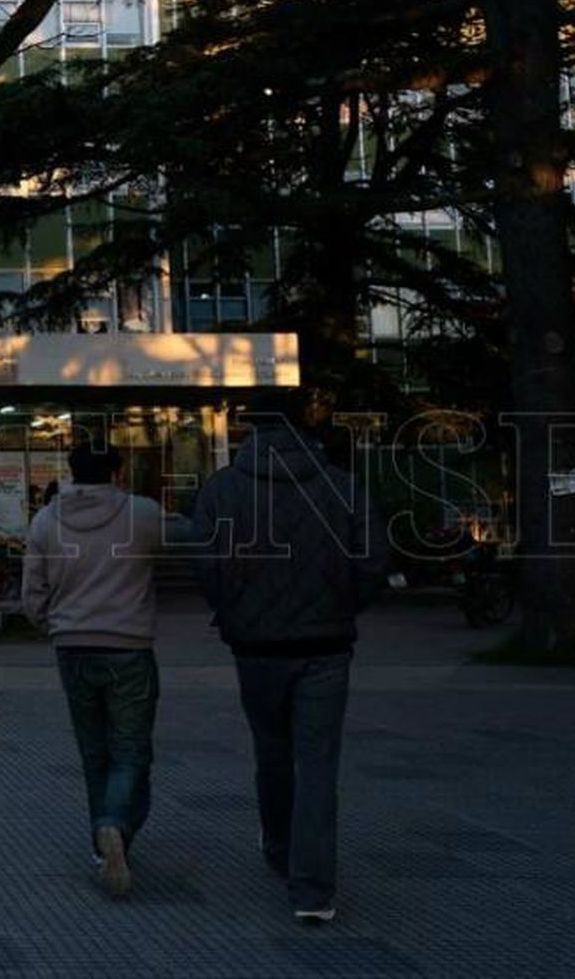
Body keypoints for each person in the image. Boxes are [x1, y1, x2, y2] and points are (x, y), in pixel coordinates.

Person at [190, 389, 388, 923]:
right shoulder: (343, 486)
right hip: (326, 645)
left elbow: (205, 562)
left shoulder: (222, 489)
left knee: (271, 752)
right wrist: (344, 606)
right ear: (307, 422)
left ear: (251, 427)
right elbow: (373, 562)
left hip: (255, 647)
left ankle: (279, 849)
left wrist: (231, 612)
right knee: (318, 763)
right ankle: (314, 891)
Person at [21, 436, 180, 897]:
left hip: (72, 646)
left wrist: (48, 622)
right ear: (117, 473)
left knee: (94, 752)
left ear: (70, 472)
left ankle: (101, 843)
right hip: (128, 646)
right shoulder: (143, 514)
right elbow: (172, 549)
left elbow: (33, 588)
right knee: (131, 751)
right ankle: (115, 825)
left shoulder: (47, 519)